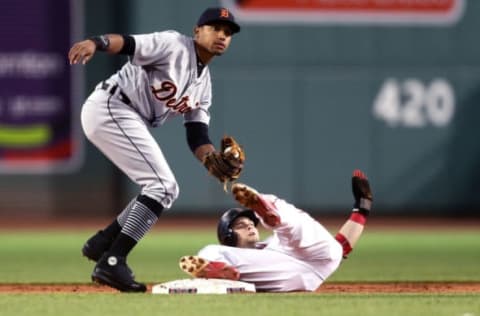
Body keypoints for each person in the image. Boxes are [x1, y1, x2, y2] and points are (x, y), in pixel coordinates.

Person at [67, 7, 242, 292]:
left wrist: (211, 159)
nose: (221, 35)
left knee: (160, 187)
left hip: (124, 114)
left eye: (227, 32)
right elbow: (127, 42)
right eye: (215, 28)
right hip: (112, 105)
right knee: (162, 186)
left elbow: (197, 134)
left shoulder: (204, 86)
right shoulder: (173, 44)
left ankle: (103, 243)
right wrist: (95, 43)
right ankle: (113, 262)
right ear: (197, 31)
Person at [180, 169, 373, 292]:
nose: (248, 225)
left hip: (314, 261)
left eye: (250, 222)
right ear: (229, 237)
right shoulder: (230, 250)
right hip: (281, 272)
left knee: (325, 245)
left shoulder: (273, 241)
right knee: (211, 251)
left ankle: (268, 208)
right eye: (240, 225)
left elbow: (341, 247)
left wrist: (362, 207)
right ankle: (217, 269)